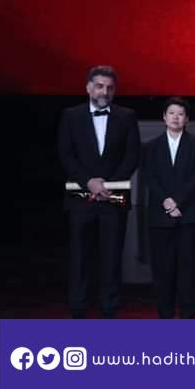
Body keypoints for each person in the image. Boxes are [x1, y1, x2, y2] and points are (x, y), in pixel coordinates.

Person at [57, 65, 141, 318]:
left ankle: (109, 307)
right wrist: (88, 182)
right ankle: (78, 307)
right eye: (99, 86)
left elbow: (132, 156)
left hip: (113, 198)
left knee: (112, 256)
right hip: (79, 198)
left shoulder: (127, 116)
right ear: (88, 88)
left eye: (109, 88)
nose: (104, 92)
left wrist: (106, 185)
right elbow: (65, 154)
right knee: (79, 256)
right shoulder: (71, 115)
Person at [143, 97, 195, 319]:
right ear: (164, 117)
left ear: (186, 119)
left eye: (180, 114)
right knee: (163, 270)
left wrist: (178, 202)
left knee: (189, 270)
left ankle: (188, 316)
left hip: (189, 215)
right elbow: (150, 177)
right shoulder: (151, 146)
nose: (176, 118)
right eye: (171, 113)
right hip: (160, 216)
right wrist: (167, 202)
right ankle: (165, 315)